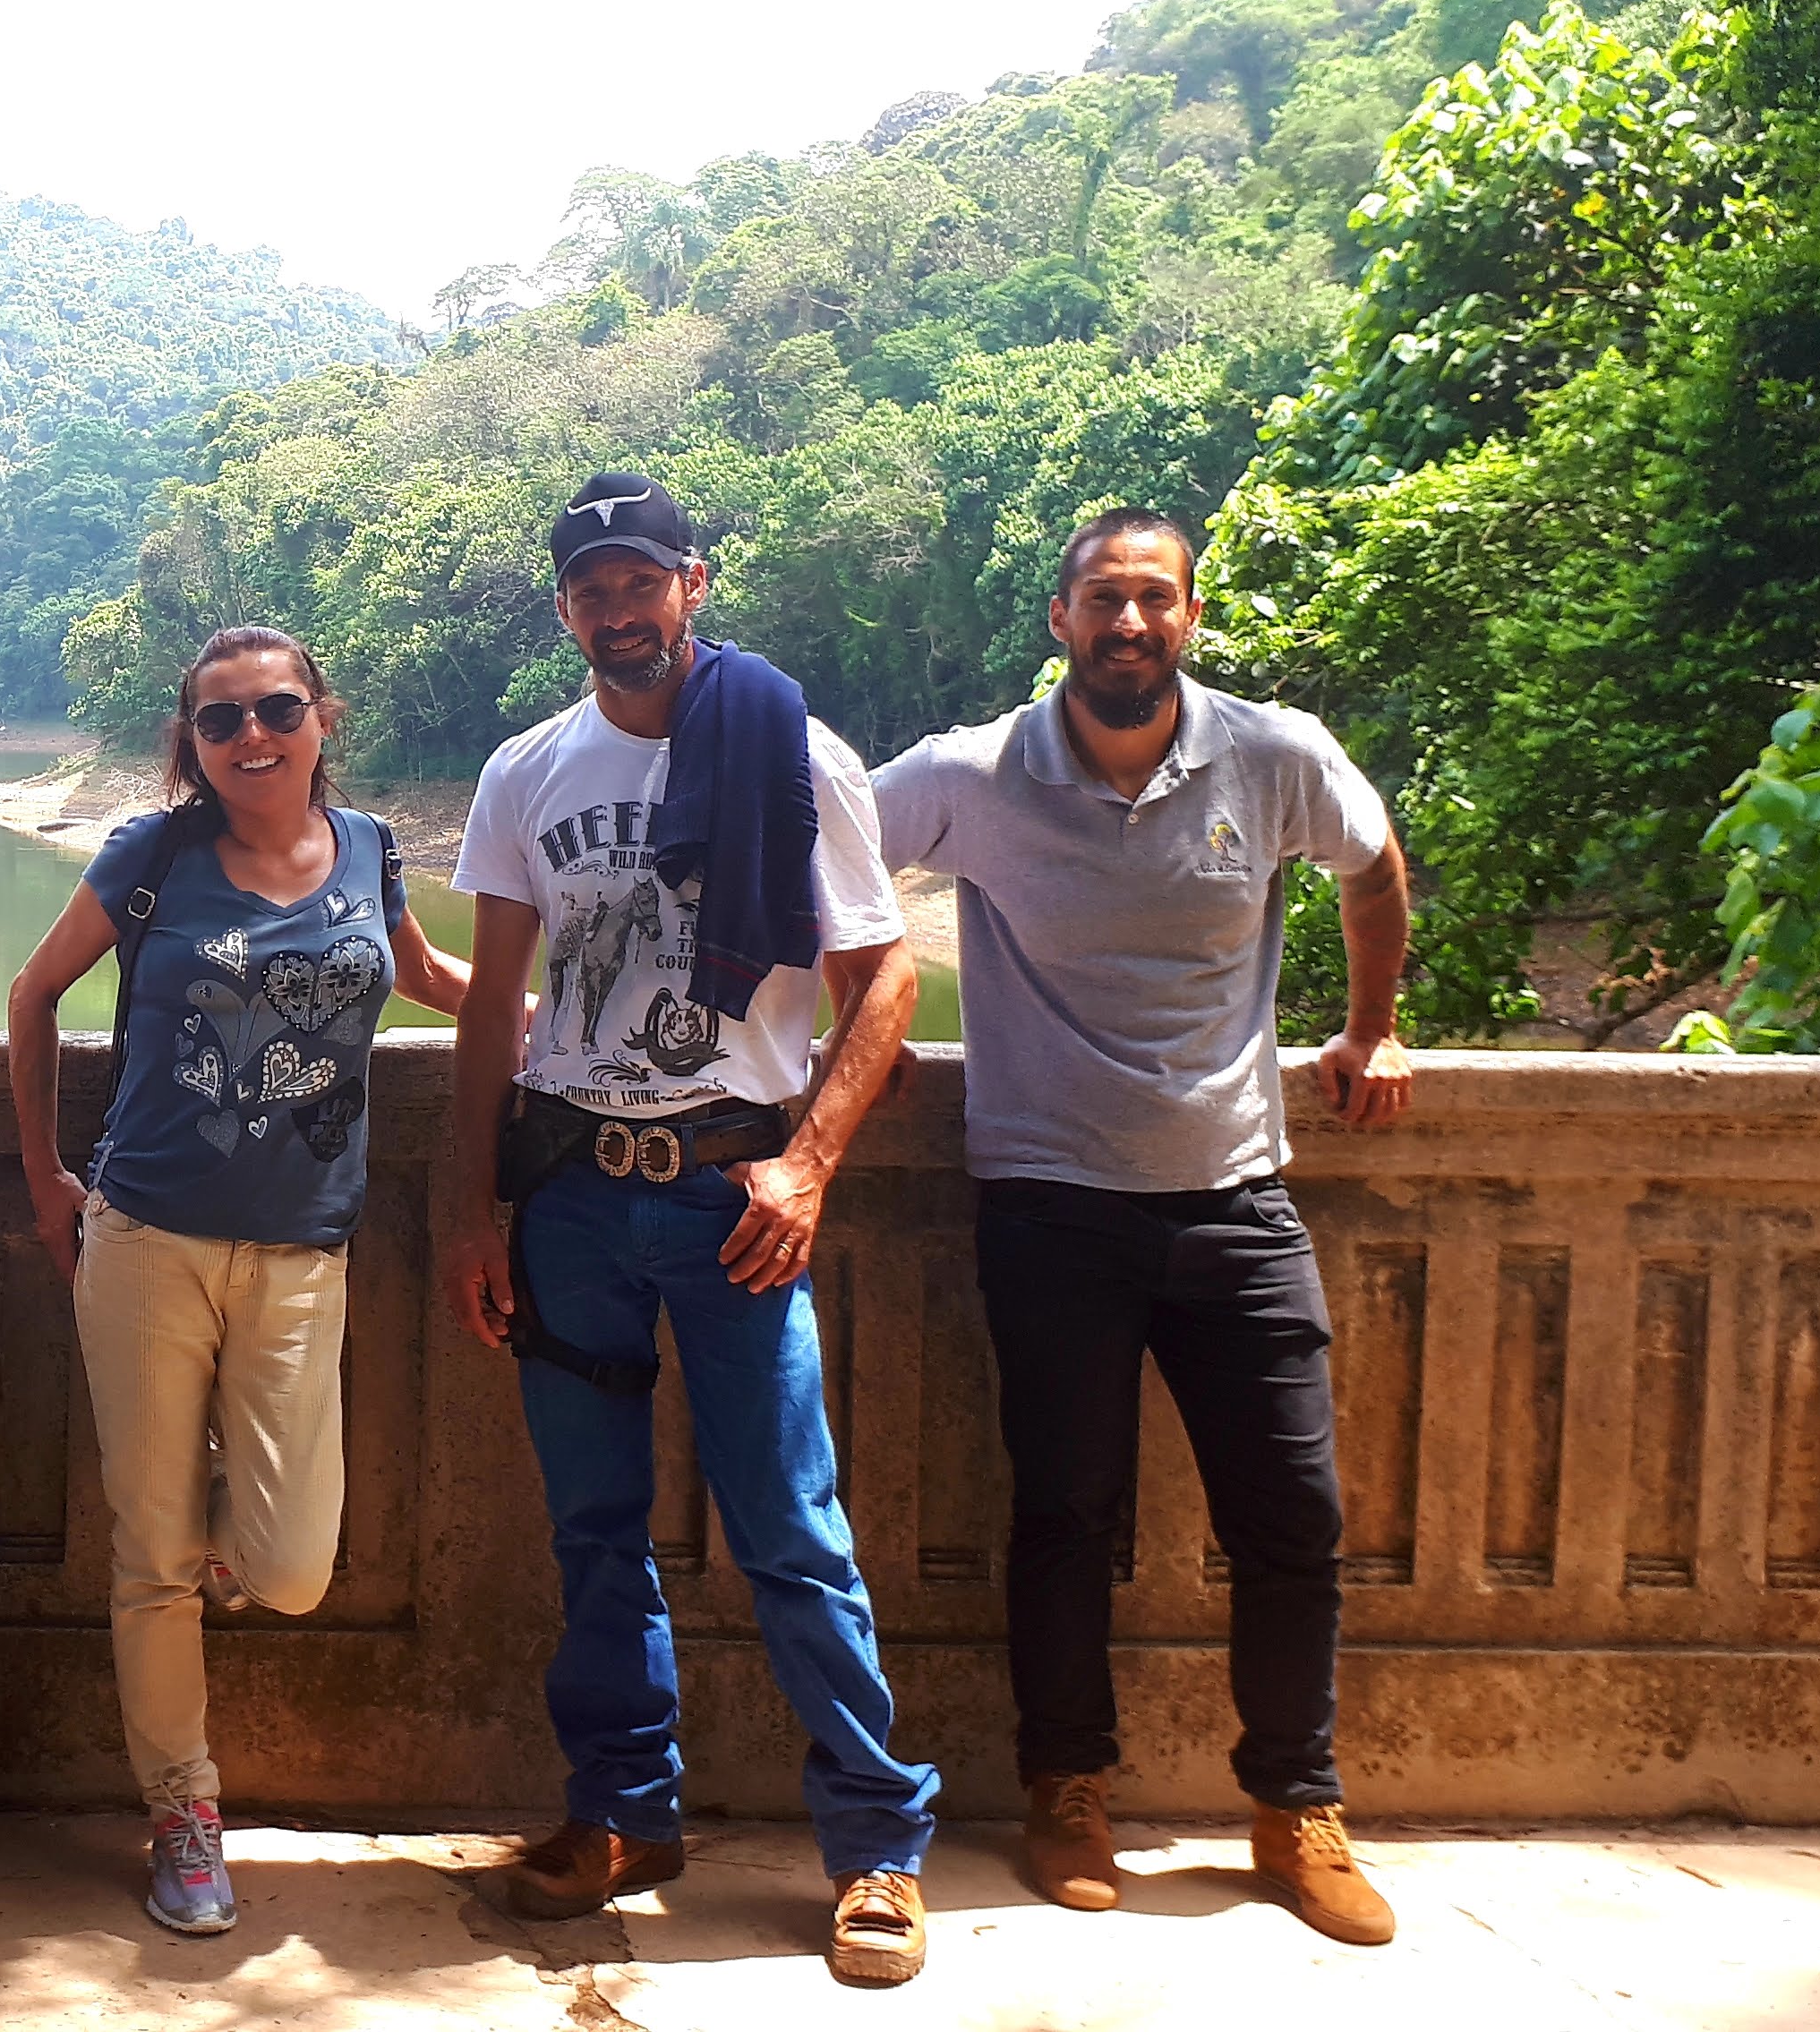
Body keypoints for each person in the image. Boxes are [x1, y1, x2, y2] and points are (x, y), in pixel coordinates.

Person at [869, 508, 1414, 1946]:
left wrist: (1374, 1030)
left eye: (1154, 600)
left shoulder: (1273, 753)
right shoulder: (972, 773)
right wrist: (795, 1038)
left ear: (1189, 614)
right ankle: (1068, 1789)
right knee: (1063, 1517)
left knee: (1295, 1519)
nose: (1129, 623)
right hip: (1050, 1200)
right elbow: (823, 865)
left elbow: (1370, 865)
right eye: (1103, 599)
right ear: (1059, 617)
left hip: (1236, 1195)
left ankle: (1296, 1807)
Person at [436, 473, 943, 1988]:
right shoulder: (525, 771)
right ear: (565, 607)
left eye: (641, 577)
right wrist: (473, 1206)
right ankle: (621, 1813)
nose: (619, 606)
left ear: (693, 584)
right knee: (594, 1532)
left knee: (790, 1529)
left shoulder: (792, 753)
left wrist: (809, 1169)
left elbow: (890, 979)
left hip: (733, 1197)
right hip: (575, 1196)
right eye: (591, 584)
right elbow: (486, 1005)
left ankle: (875, 1847)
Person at [6, 627, 471, 1936]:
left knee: (291, 1568)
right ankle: (184, 1809)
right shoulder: (148, 859)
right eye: (221, 722)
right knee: (151, 1559)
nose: (251, 737)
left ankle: (216, 1488)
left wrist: (556, 1026)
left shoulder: (375, 849)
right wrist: (47, 1176)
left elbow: (425, 976)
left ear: (322, 716)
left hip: (302, 1249)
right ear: (190, 744)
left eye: (276, 709)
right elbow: (33, 993)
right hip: (146, 1237)